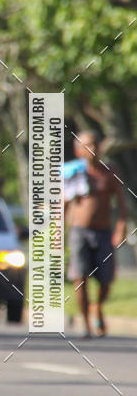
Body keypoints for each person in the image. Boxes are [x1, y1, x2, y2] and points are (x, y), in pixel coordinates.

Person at [65, 131, 128, 337]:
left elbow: (121, 205)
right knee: (79, 278)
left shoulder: (109, 172)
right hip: (78, 232)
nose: (91, 149)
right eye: (86, 145)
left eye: (94, 144)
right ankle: (86, 324)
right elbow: (62, 203)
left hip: (103, 232)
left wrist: (120, 228)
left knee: (106, 280)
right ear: (78, 150)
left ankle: (97, 307)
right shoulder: (73, 173)